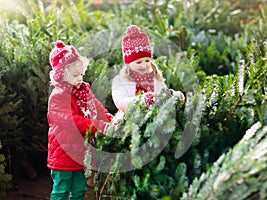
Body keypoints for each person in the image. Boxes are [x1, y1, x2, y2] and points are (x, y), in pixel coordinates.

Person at [47, 40, 113, 200]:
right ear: (62, 75)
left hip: (80, 153)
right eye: (75, 75)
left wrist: (111, 120)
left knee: (79, 189)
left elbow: (97, 109)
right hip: (63, 153)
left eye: (81, 74)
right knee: (61, 190)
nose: (80, 78)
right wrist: (100, 126)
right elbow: (72, 122)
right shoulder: (58, 97)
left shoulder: (83, 91)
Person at [112, 25, 185, 112]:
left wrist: (173, 95)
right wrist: (143, 100)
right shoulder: (120, 81)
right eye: (138, 62)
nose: (143, 65)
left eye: (147, 61)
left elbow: (162, 95)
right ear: (128, 64)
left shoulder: (154, 76)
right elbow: (120, 102)